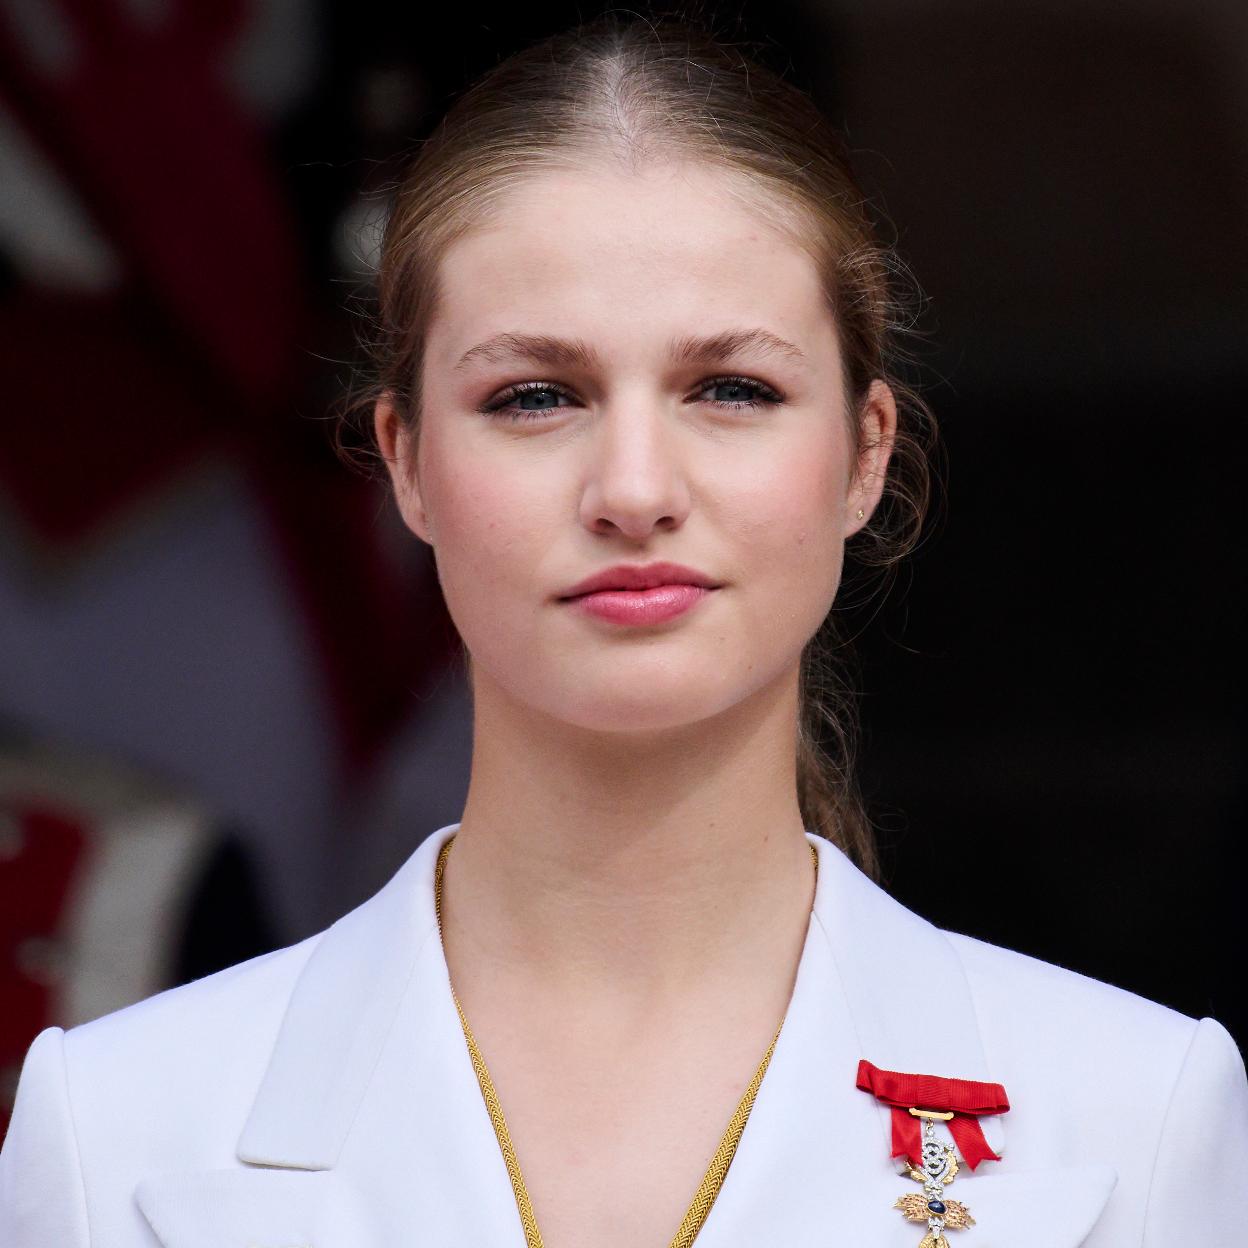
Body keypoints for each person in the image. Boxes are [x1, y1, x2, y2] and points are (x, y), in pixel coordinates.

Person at [2, 15, 1245, 1248]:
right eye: (536, 396)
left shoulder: (1132, 1115)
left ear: (867, 453)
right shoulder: (118, 1128)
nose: (635, 488)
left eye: (732, 390)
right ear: (407, 461)